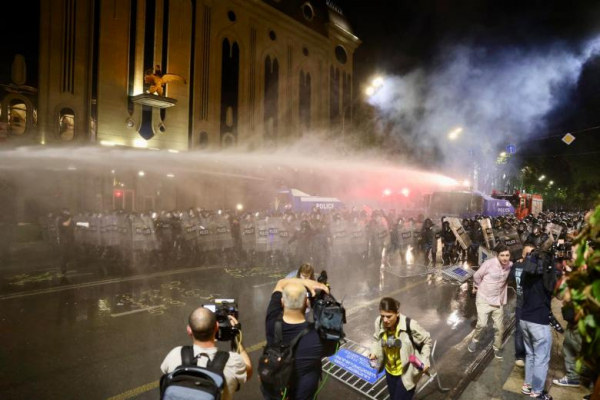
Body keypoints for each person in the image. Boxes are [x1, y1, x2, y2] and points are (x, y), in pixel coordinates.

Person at [261, 277, 336, 400]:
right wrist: (324, 294)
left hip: (274, 394)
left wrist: (305, 282)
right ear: (307, 303)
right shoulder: (317, 338)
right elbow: (333, 347)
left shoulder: (271, 321)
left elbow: (280, 283)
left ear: (282, 302)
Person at [160, 307, 252, 400]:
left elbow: (165, 372)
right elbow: (248, 371)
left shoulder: (175, 354)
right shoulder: (233, 361)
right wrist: (236, 335)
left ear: (189, 330)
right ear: (217, 327)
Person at [368, 297, 432, 400]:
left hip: (407, 373)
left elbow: (426, 342)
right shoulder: (379, 322)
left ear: (397, 313)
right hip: (389, 371)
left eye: (389, 316)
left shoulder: (410, 325)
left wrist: (425, 361)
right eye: (382, 316)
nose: (385, 320)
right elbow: (376, 339)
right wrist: (373, 352)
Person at [519, 249, 554, 399]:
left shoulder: (525, 274)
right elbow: (556, 291)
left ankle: (527, 385)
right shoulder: (546, 277)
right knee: (542, 357)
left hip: (524, 319)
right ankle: (537, 390)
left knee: (531, 354)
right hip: (539, 322)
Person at [468, 244, 513, 359]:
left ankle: (497, 348)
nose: (505, 258)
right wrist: (477, 286)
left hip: (498, 301)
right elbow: (477, 275)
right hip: (484, 298)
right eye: (502, 255)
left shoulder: (510, 265)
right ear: (497, 255)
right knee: (482, 324)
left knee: (499, 327)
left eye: (507, 255)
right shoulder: (489, 264)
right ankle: (475, 339)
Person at [510, 244, 536, 367]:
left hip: (533, 305)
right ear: (522, 254)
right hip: (520, 304)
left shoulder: (537, 266)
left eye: (532, 253)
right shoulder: (516, 265)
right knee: (519, 330)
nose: (529, 256)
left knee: (532, 331)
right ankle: (519, 356)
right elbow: (510, 279)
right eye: (527, 253)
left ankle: (530, 353)